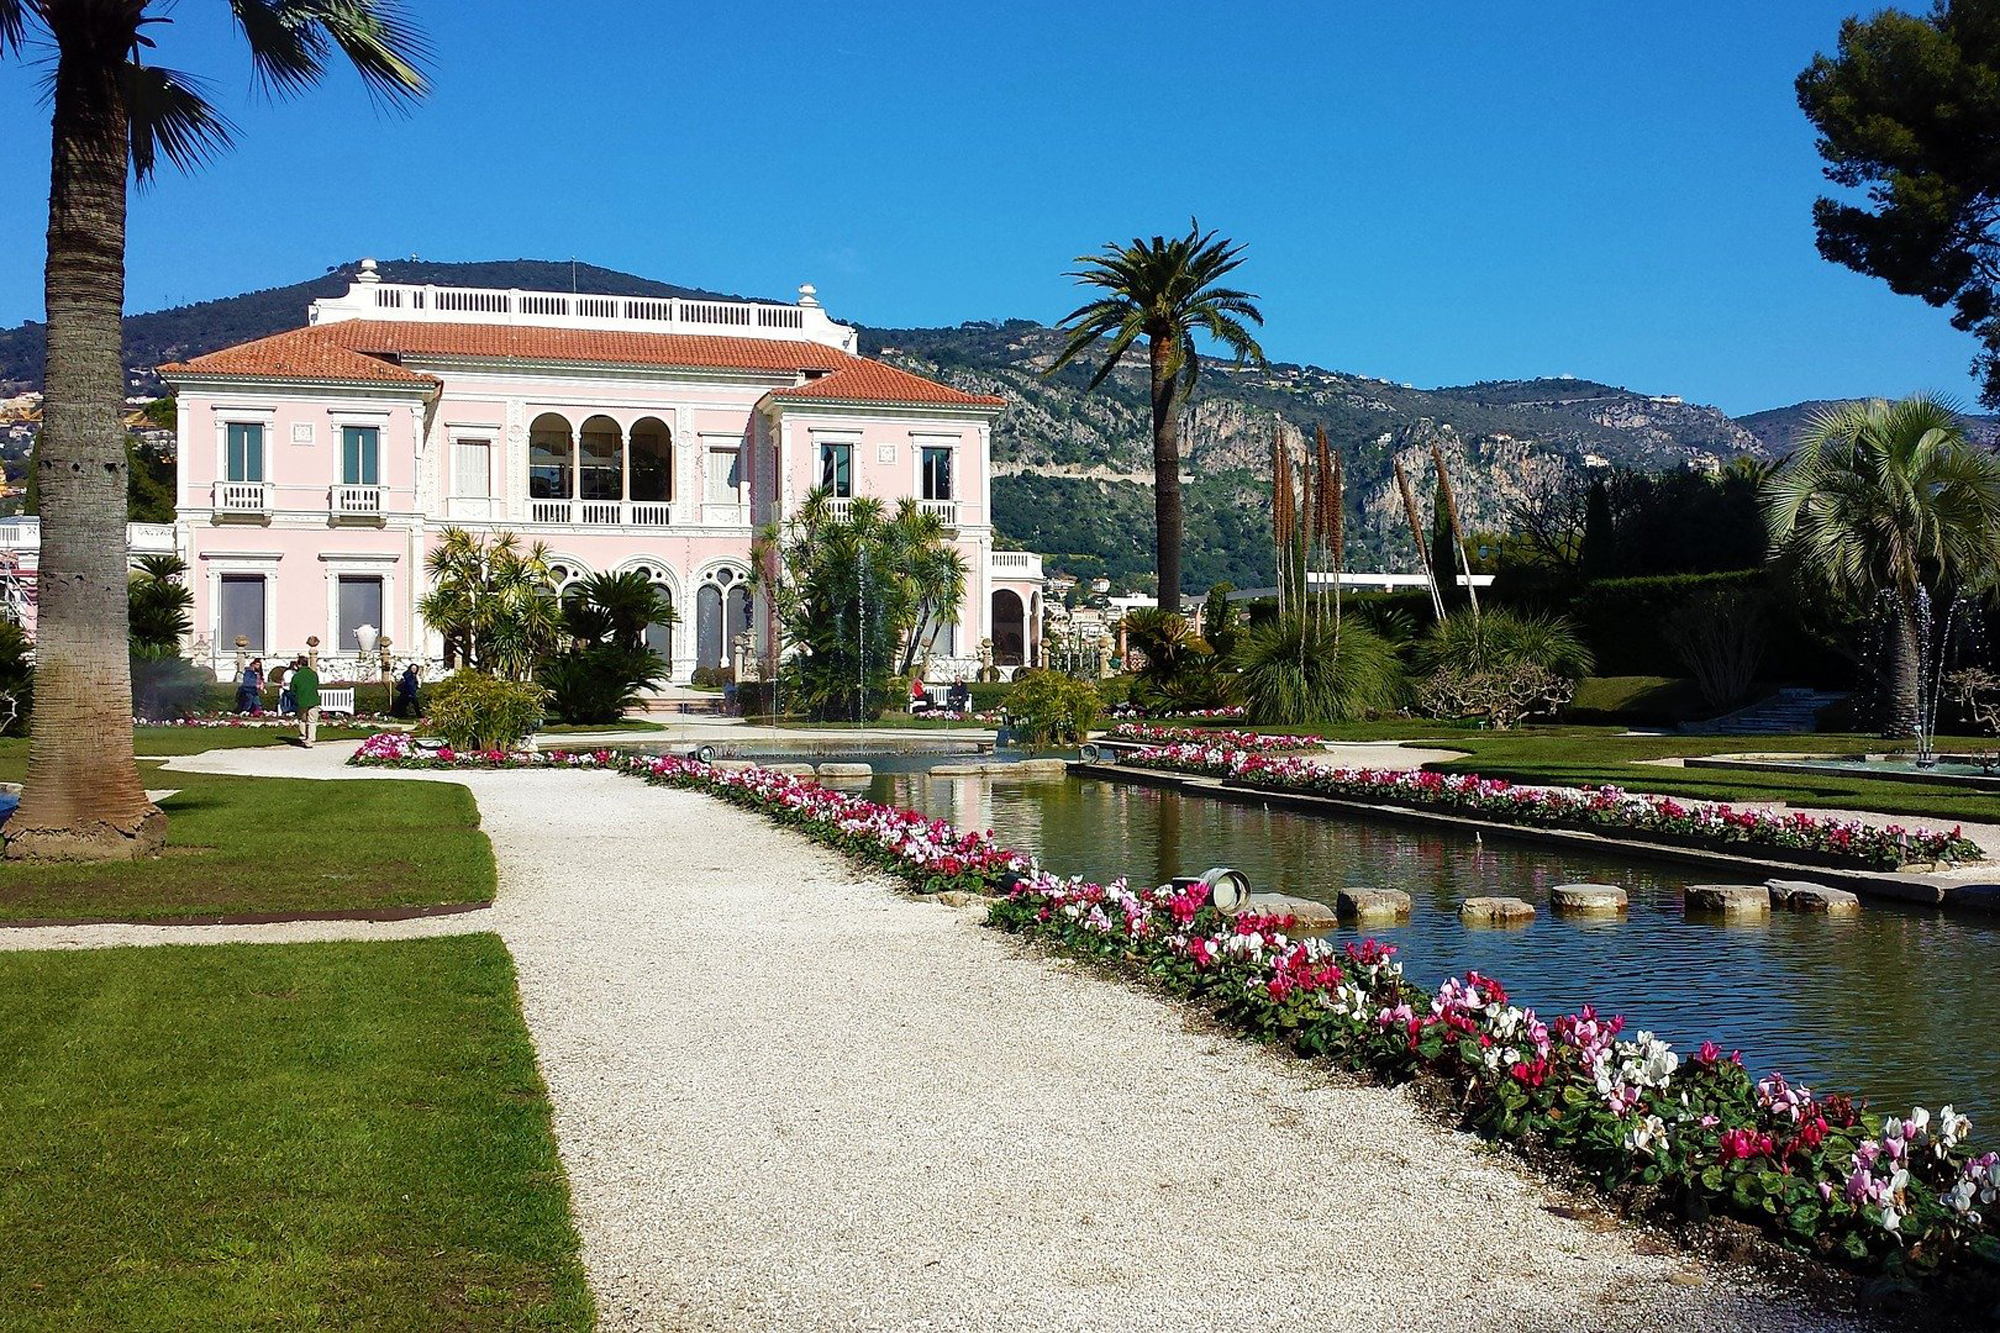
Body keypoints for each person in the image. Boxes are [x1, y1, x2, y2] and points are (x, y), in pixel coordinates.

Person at [291, 656, 321, 748]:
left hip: (302, 701)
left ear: (299, 664)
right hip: (313, 700)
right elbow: (316, 685)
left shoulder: (296, 676)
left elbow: (292, 689)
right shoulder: (313, 674)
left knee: (302, 720)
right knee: (312, 721)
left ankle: (304, 737)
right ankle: (310, 740)